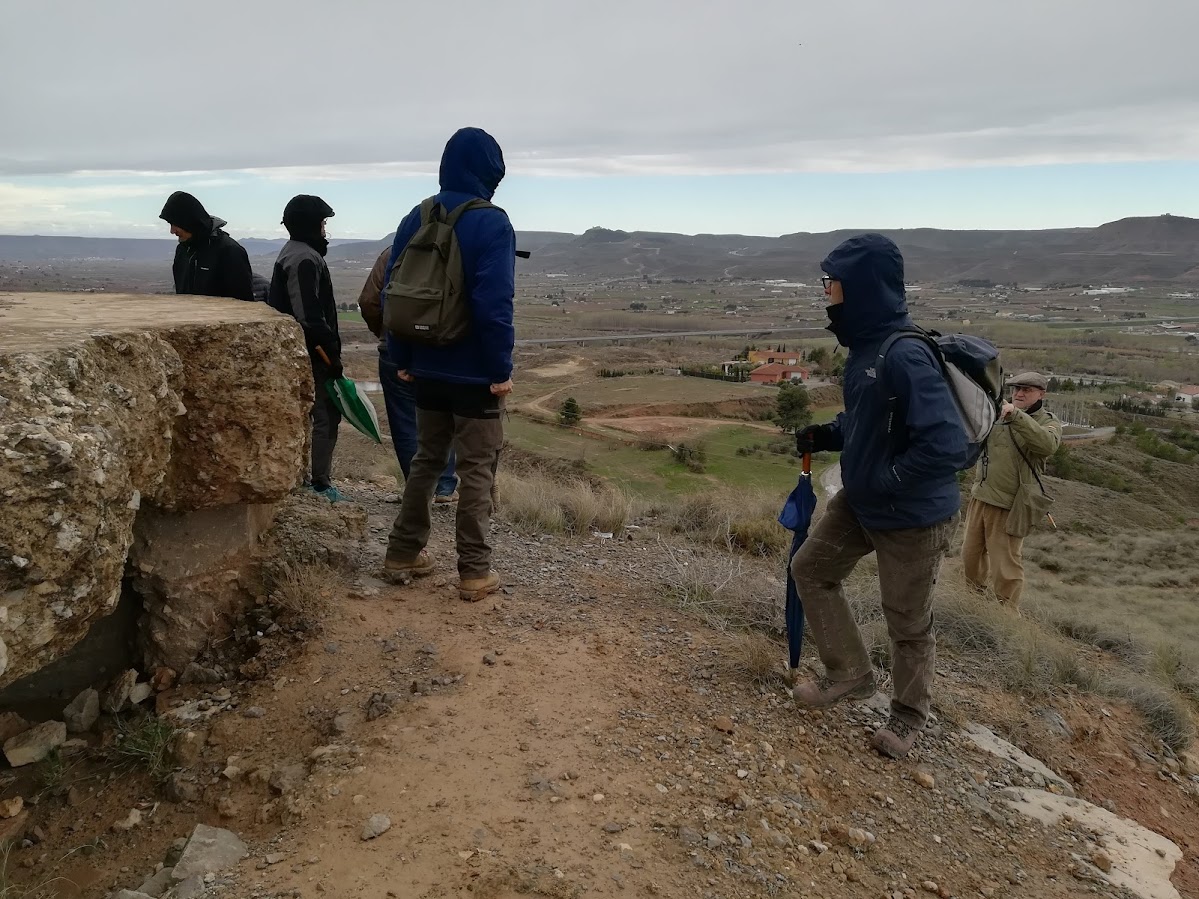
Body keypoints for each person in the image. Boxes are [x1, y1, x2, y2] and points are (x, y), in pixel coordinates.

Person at [791, 233, 969, 760]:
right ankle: (850, 674)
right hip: (863, 502)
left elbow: (946, 445)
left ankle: (909, 717)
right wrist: (829, 433)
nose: (827, 293)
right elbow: (870, 421)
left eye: (833, 284)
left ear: (860, 287)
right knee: (811, 570)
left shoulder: (906, 353)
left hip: (911, 516)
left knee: (907, 621)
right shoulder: (866, 348)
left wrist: (887, 481)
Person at [381, 127, 515, 602]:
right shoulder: (492, 223)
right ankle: (475, 572)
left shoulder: (413, 217)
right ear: (489, 170)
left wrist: (402, 357)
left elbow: (391, 292)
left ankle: (402, 552)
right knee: (477, 467)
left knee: (426, 460)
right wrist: (500, 370)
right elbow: (494, 306)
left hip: (425, 366)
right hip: (474, 371)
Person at [357, 248, 460, 502]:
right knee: (443, 420)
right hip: (442, 350)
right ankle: (445, 487)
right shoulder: (453, 252)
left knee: (405, 423)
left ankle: (418, 491)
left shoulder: (393, 252)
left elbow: (369, 301)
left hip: (395, 349)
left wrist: (385, 332)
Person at [962, 372, 1062, 610]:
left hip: (1010, 505)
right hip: (981, 498)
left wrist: (1016, 416)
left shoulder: (1047, 422)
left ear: (1041, 394)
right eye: (1016, 388)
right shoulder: (998, 415)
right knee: (970, 559)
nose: (1019, 393)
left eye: (1026, 390)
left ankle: (1007, 616)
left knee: (1005, 567)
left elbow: (1047, 445)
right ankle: (972, 605)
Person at [268, 195, 345, 502]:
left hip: (305, 351)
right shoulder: (304, 259)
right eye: (323, 223)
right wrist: (331, 355)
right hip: (312, 354)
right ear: (312, 226)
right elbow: (309, 316)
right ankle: (321, 485)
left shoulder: (294, 253)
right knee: (326, 415)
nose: (326, 230)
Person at [159, 191, 254, 301]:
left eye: (175, 224)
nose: (172, 231)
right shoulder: (183, 250)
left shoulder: (230, 252)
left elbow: (244, 304)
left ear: (188, 221)